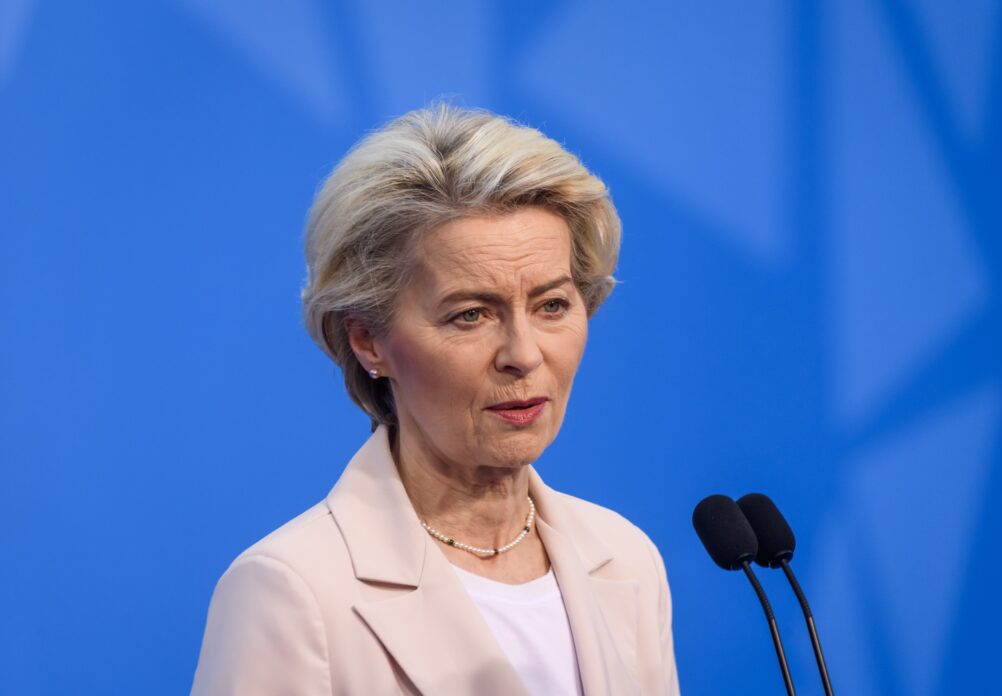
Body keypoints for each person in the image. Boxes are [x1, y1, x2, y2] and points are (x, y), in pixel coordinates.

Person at [190, 104, 679, 695]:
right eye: (470, 315)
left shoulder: (626, 559)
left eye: (552, 306)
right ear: (368, 340)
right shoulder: (295, 590)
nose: (523, 354)